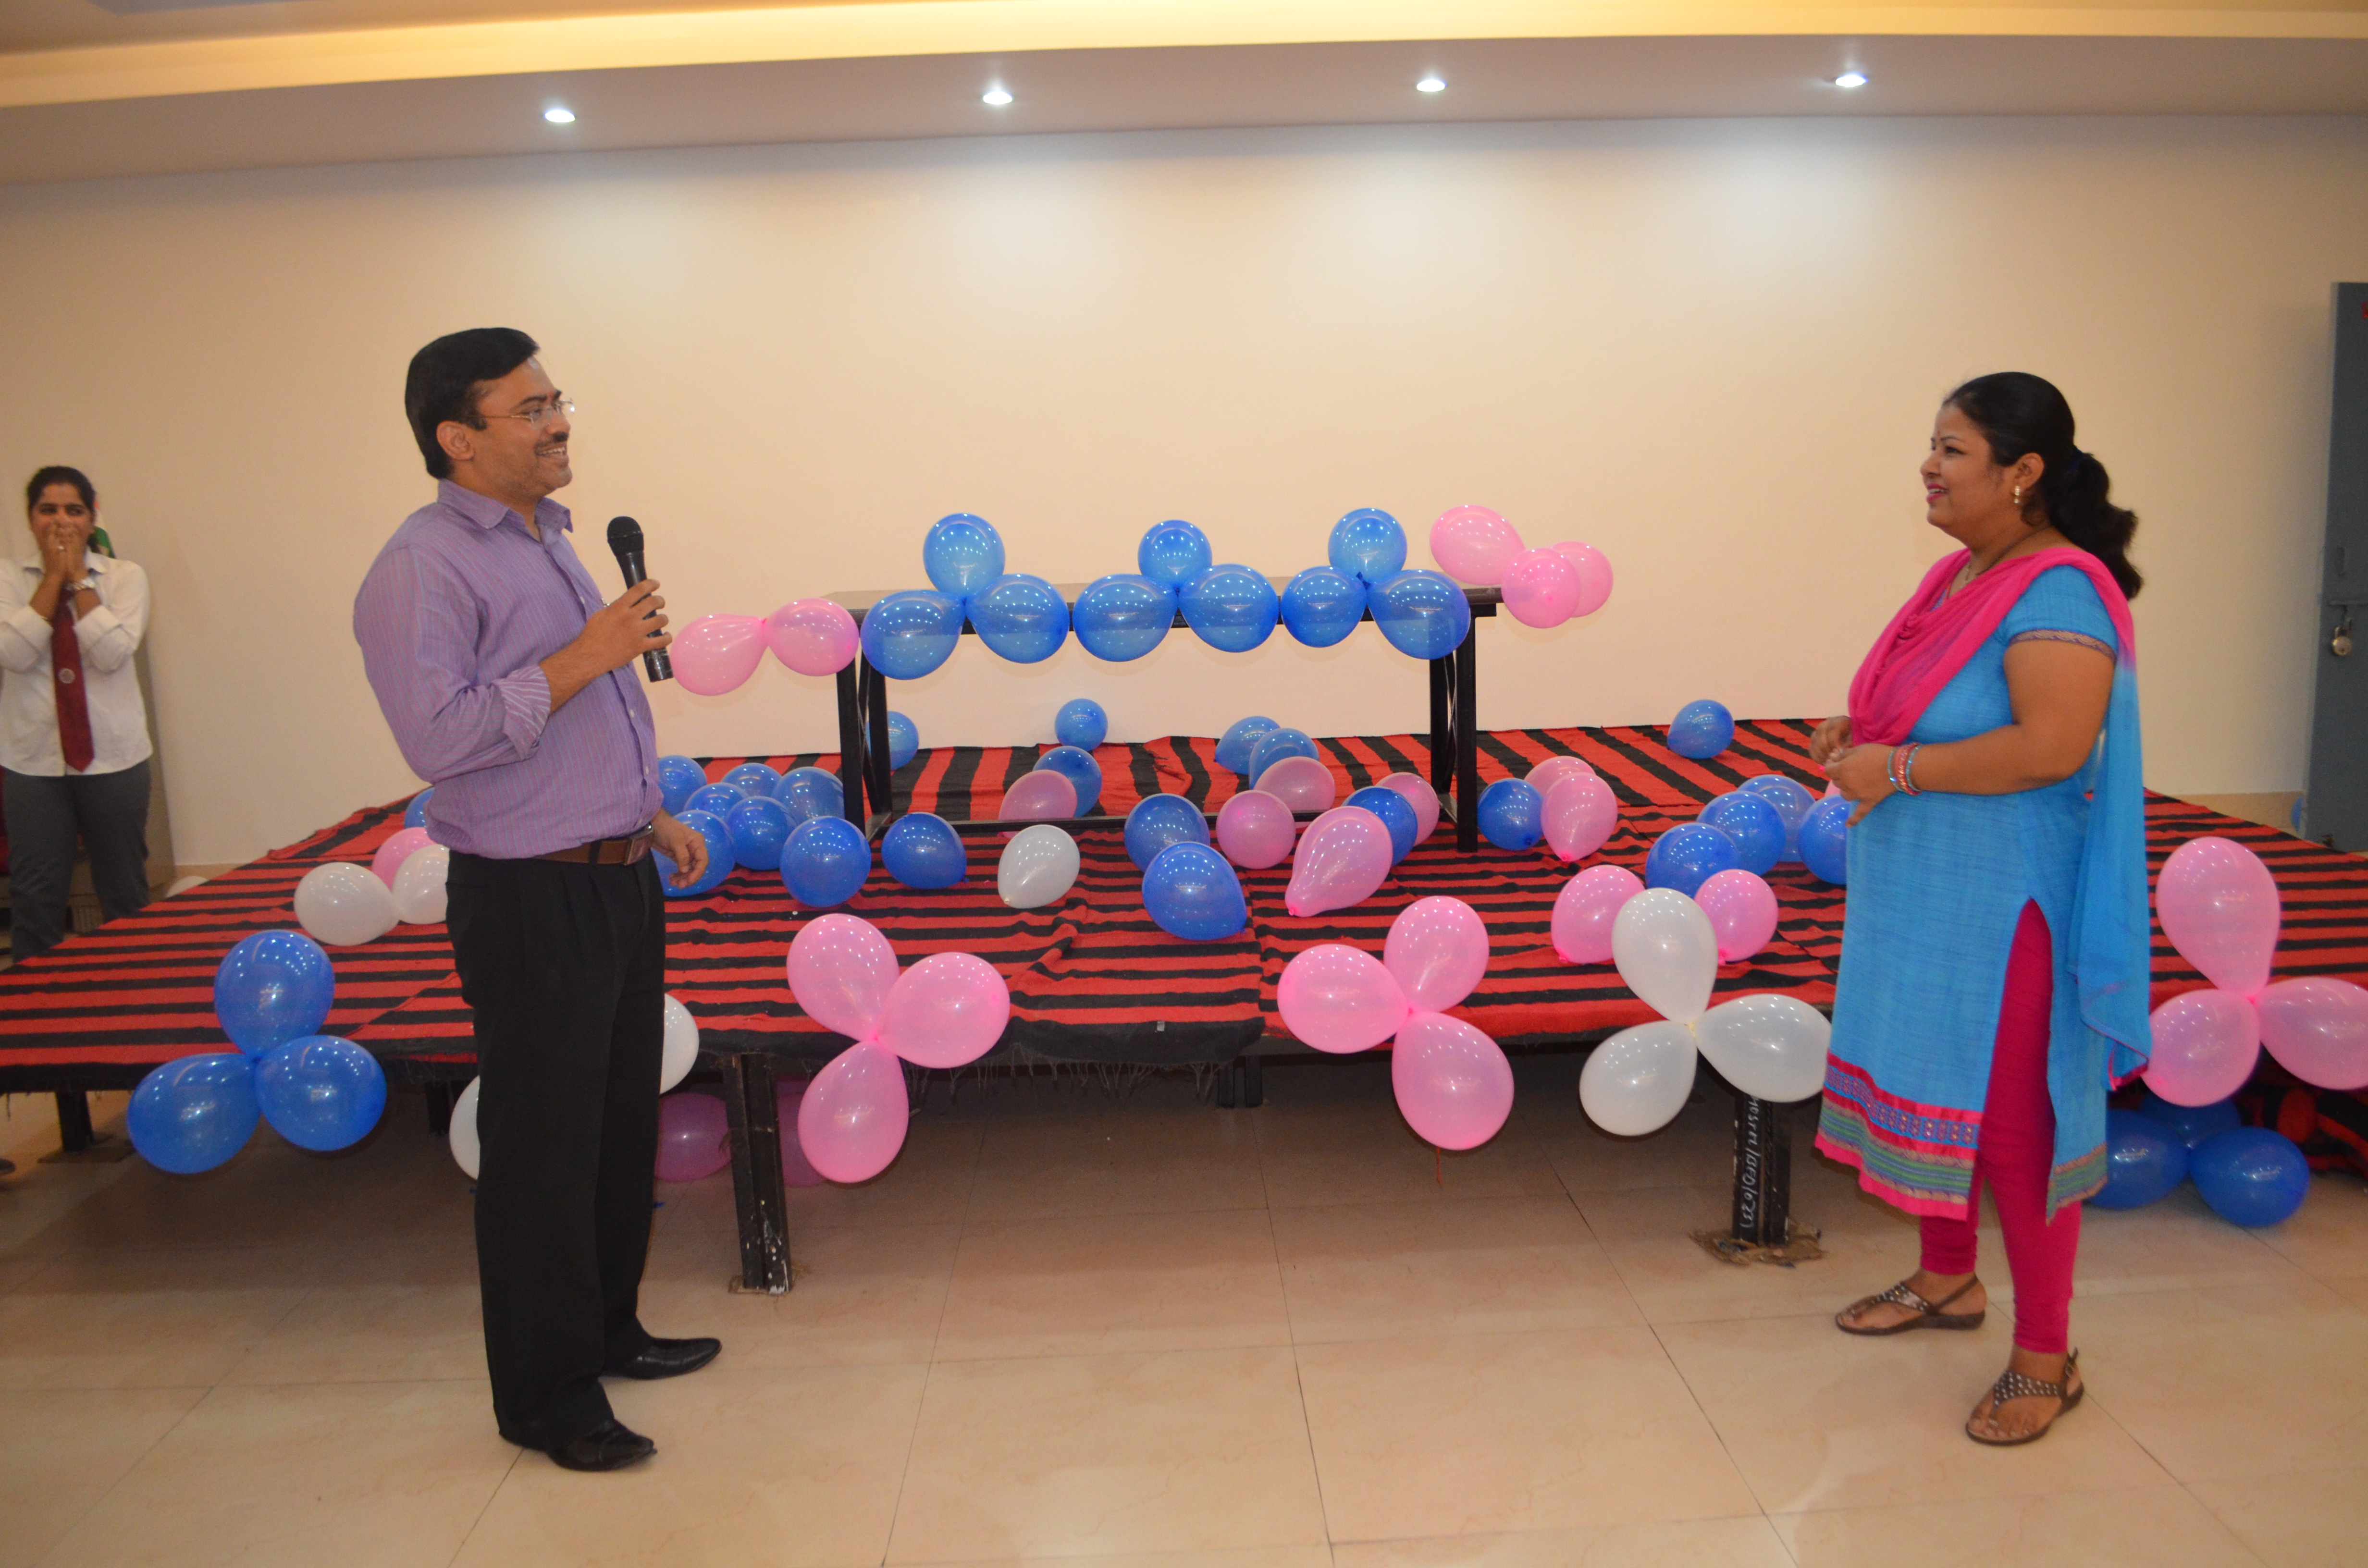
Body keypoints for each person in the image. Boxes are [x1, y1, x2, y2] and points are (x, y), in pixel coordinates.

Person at [354, 328, 718, 1472]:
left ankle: (608, 1331)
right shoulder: (422, 567)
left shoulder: (546, 538)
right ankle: (545, 1398)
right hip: (526, 898)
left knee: (613, 1130)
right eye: (529, 409)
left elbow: (575, 731)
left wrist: (643, 816)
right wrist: (589, 653)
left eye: (558, 400)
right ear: (458, 439)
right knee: (542, 1155)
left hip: (612, 876)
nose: (558, 423)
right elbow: (440, 738)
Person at [1811, 371, 2150, 1446]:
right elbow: (1937, 709)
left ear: (2022, 471)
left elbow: (2050, 747)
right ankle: (1947, 1277)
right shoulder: (1958, 576)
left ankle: (2046, 1355)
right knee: (1931, 1078)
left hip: (2005, 905)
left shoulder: (2059, 589)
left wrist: (1897, 768)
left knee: (2014, 1125)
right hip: (1923, 895)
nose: (1928, 465)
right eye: (1933, 444)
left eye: (1952, 449)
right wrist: (1861, 736)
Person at [0, 466, 154, 964]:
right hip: (33, 763)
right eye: (48, 510)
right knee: (36, 893)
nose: (61, 521)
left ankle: (131, 987)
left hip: (115, 758)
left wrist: (79, 580)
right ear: (31, 519)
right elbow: (14, 654)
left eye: (74, 510)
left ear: (92, 519)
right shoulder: (6, 578)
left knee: (124, 889)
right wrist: (53, 578)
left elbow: (112, 655)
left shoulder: (126, 577)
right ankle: (34, 998)